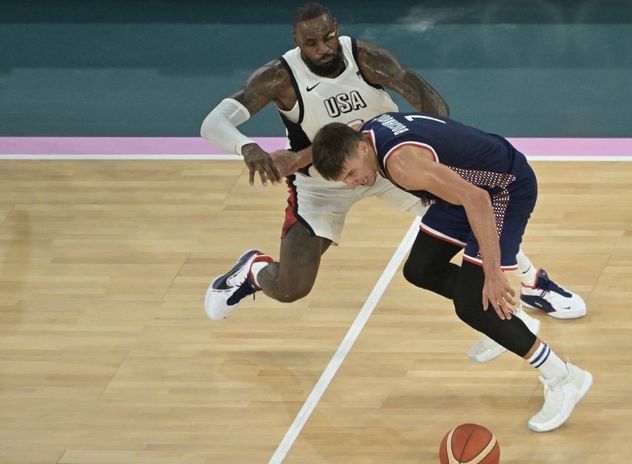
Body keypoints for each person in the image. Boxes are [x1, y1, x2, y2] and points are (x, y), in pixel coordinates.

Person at [200, 3, 585, 364]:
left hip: (387, 164)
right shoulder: (278, 78)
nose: (321, 48)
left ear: (337, 30)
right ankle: (252, 271)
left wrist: (432, 152)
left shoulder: (366, 58)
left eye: (327, 37)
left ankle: (533, 286)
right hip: (322, 183)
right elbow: (213, 123)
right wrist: (246, 148)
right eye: (310, 43)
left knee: (475, 212)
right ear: (296, 43)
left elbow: (432, 104)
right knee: (291, 287)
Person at [311, 112, 592, 431]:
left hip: (501, 190)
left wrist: (494, 273)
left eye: (351, 173)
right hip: (464, 192)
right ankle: (512, 323)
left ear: (362, 149)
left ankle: (564, 377)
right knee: (420, 269)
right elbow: (349, 128)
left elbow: (478, 199)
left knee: (474, 305)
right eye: (343, 181)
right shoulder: (365, 132)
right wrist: (294, 161)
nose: (352, 185)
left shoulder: (403, 165)